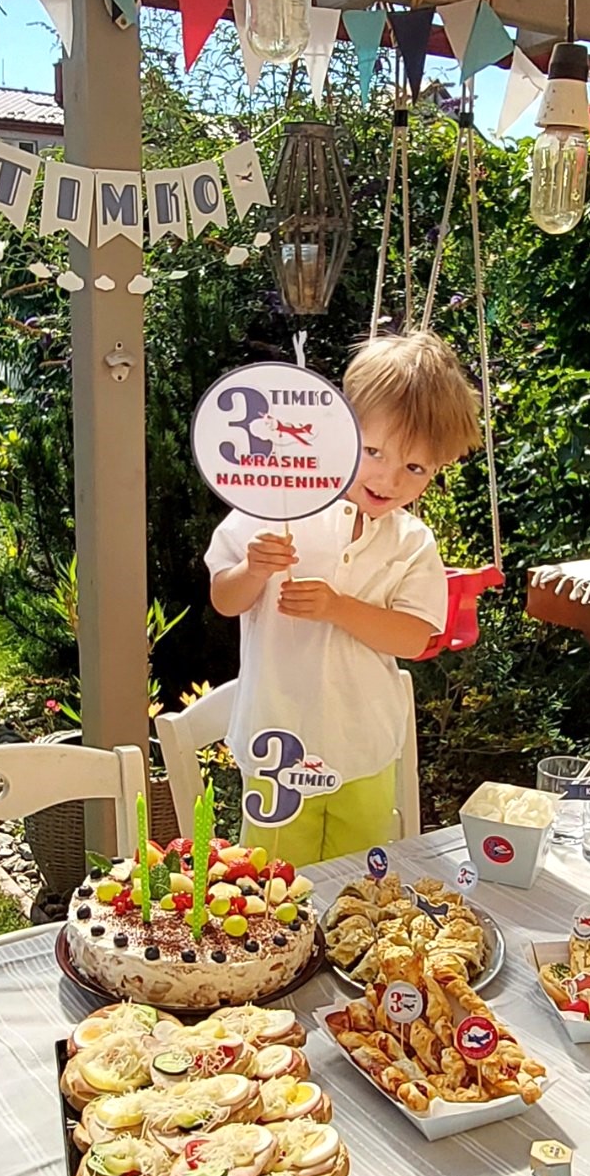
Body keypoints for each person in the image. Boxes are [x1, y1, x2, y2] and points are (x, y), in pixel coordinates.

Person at [205, 331, 481, 864]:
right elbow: (225, 598)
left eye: (415, 468)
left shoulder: (411, 542)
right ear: (337, 433)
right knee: (274, 882)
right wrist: (253, 569)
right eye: (373, 451)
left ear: (438, 468)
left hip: (363, 748)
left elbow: (414, 637)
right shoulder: (277, 505)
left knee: (361, 883)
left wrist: (337, 608)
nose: (388, 478)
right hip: (277, 744)